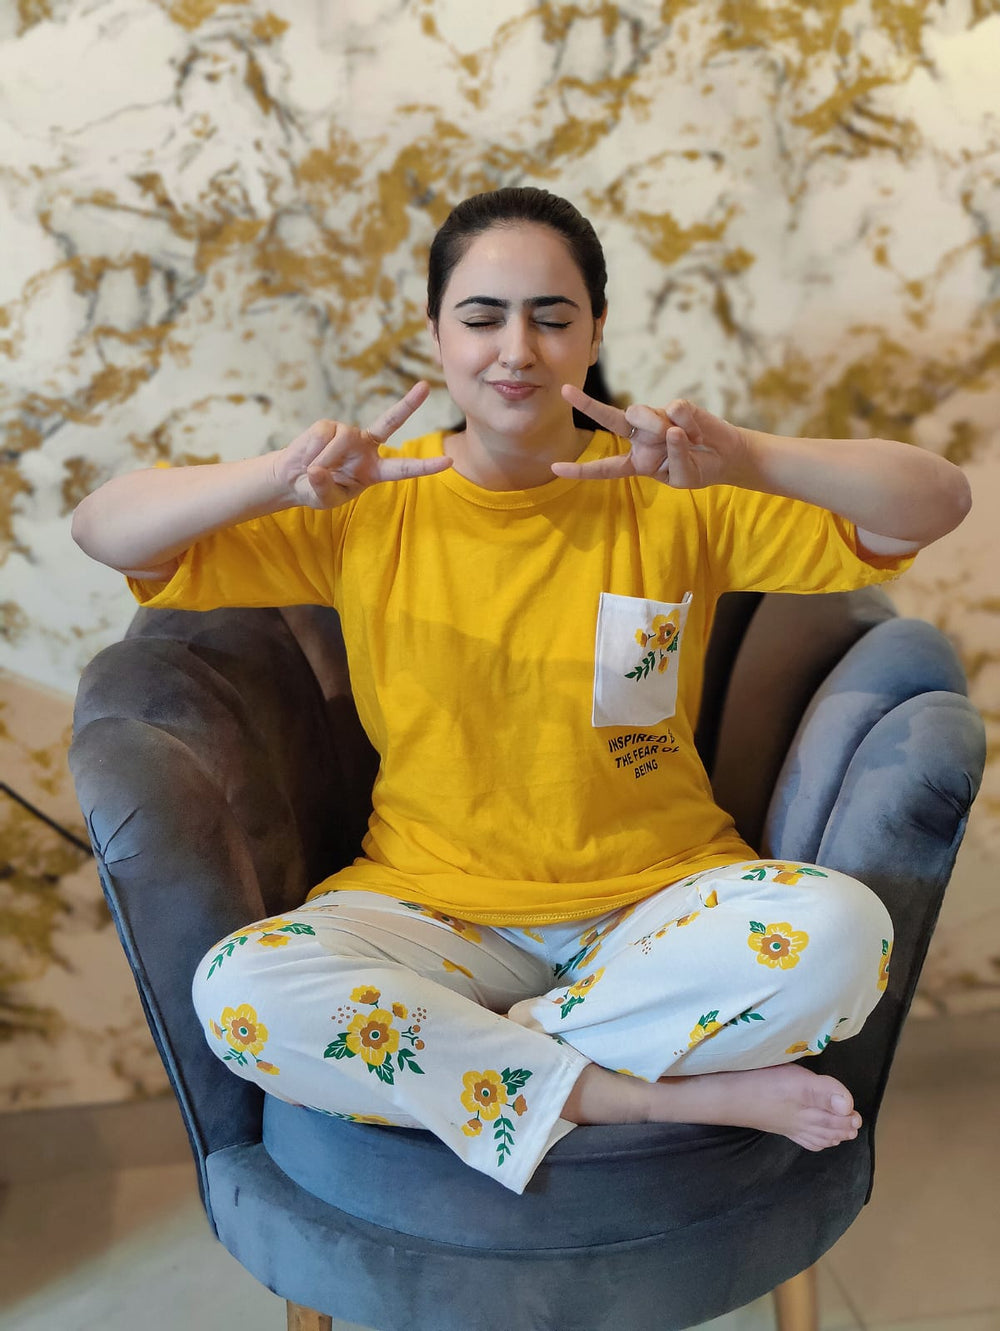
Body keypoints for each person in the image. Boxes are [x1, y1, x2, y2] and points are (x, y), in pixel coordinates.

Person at [72, 187, 971, 1195]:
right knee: (239, 992)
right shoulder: (367, 505)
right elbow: (104, 527)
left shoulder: (676, 492)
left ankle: (496, 1057)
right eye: (482, 316)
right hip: (429, 912)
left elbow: (936, 498)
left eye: (551, 317)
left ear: (591, 333)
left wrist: (752, 456)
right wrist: (280, 477)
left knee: (845, 933)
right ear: (434, 335)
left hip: (657, 905)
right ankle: (633, 1091)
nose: (516, 348)